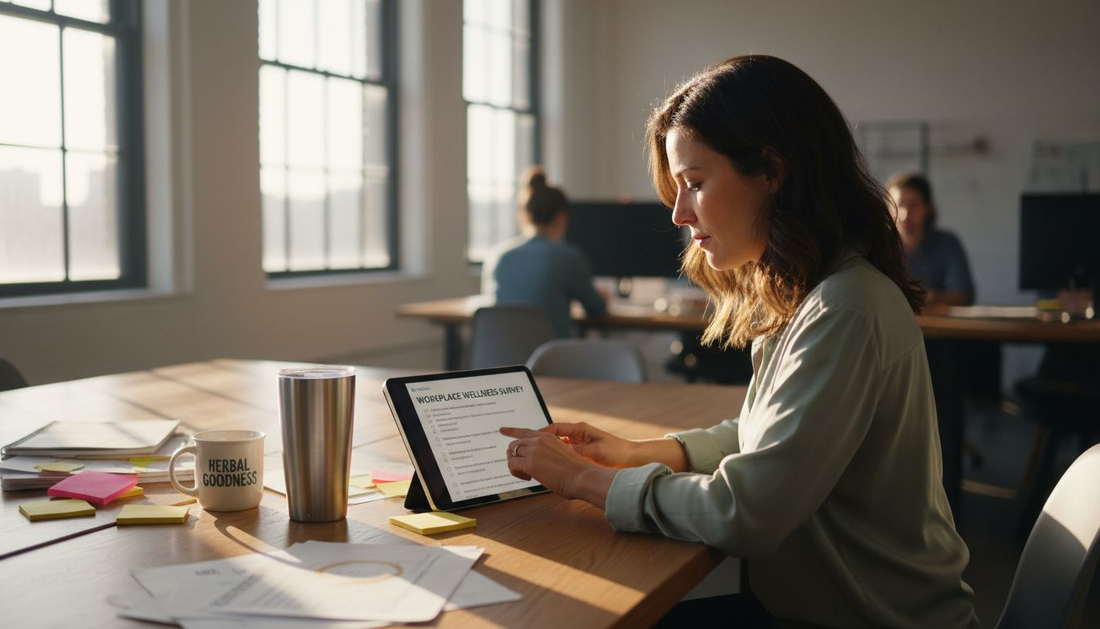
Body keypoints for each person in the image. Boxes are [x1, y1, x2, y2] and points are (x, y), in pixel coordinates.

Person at [500, 56, 978, 628]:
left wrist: (582, 479)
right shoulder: (815, 294)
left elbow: (745, 513)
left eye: (695, 184)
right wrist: (638, 452)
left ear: (771, 171)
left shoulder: (844, 307)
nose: (679, 213)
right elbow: (763, 435)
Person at [480, 167, 607, 338]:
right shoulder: (567, 257)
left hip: (500, 362)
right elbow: (596, 309)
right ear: (562, 216)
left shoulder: (496, 256)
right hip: (549, 361)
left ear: (525, 214)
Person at [887, 172, 975, 306]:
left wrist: (923, 297)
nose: (905, 215)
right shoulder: (880, 246)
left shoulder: (947, 243)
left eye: (914, 206)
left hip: (938, 325)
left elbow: (962, 295)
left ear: (928, 208)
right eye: (899, 204)